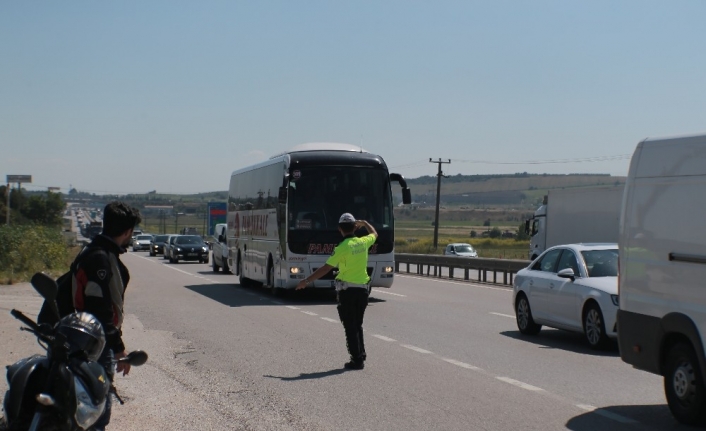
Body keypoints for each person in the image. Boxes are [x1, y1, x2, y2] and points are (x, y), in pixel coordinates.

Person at [71, 201, 141, 430]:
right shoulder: (100, 257)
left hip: (82, 337)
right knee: (96, 413)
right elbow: (100, 309)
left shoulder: (94, 251)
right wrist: (118, 347)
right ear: (127, 232)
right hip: (94, 343)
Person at [296, 212, 377, 370]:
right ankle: (361, 353)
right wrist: (365, 222)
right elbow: (374, 233)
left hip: (347, 292)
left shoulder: (341, 248)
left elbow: (326, 268)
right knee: (358, 324)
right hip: (362, 291)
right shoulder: (363, 242)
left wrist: (306, 281)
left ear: (340, 229)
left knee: (349, 325)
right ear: (355, 227)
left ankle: (356, 360)